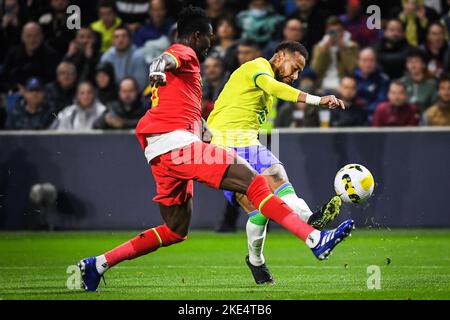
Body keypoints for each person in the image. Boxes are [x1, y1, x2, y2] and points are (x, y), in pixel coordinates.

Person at [77, 6, 354, 292]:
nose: (211, 45)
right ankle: (314, 238)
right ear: (196, 36)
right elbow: (166, 59)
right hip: (177, 145)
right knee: (255, 183)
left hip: (162, 150)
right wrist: (158, 67)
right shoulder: (186, 55)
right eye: (209, 38)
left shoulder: (190, 80)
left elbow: (184, 108)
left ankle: (97, 264)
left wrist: (204, 129)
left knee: (174, 230)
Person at [207, 40, 348, 284]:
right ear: (281, 56)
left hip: (249, 143)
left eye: (299, 72)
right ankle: (256, 260)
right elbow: (274, 86)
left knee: (277, 177)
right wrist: (318, 99)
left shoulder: (267, 94)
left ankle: (310, 220)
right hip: (221, 146)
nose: (295, 75)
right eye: (295, 68)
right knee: (257, 210)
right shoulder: (256, 66)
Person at [1, 22, 58, 91]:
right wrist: (14, 87)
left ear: (42, 37)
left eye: (36, 36)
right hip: (16, 92)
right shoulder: (13, 53)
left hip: (42, 93)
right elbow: (3, 77)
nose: (32, 39)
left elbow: (54, 80)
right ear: (22, 37)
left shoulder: (51, 54)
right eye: (28, 36)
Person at [311, 16, 359, 94]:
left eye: (338, 31)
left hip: (343, 86)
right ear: (327, 31)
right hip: (323, 85)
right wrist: (324, 50)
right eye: (332, 32)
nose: (335, 34)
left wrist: (343, 49)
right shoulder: (319, 47)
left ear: (343, 31)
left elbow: (352, 69)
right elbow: (316, 70)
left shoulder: (352, 46)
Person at [100, 26, 148, 91]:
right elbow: (102, 82)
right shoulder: (106, 57)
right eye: (116, 37)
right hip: (112, 94)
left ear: (130, 39)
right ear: (112, 41)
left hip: (134, 95)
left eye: (124, 36)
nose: (120, 39)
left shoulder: (138, 56)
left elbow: (140, 85)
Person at [353, 47, 389, 119]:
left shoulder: (382, 79)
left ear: (375, 62)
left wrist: (365, 109)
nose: (368, 64)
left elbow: (381, 101)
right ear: (358, 61)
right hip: (354, 113)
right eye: (364, 60)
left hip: (374, 114)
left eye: (371, 60)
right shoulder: (352, 78)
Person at [401, 48, 438, 113]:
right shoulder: (401, 83)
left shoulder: (432, 84)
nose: (413, 65)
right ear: (406, 65)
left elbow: (435, 107)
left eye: (416, 61)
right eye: (409, 61)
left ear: (423, 64)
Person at [201, 54, 228, 119]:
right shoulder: (201, 86)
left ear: (222, 67)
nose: (211, 70)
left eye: (215, 66)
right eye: (207, 67)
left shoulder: (230, 85)